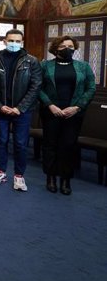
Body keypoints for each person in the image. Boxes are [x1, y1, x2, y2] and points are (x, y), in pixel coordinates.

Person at [0, 29, 42, 192]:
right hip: (0, 109)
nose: (14, 44)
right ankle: (0, 172)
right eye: (11, 41)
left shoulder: (31, 61)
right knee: (1, 141)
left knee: (20, 143)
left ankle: (19, 176)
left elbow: (36, 86)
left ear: (22, 43)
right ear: (4, 41)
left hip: (22, 111)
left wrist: (20, 108)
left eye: (17, 41)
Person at [39, 36, 95, 195]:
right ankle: (50, 178)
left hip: (73, 113)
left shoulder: (83, 66)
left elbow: (90, 88)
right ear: (56, 48)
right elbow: (38, 87)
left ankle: (65, 180)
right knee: (50, 145)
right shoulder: (45, 66)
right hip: (51, 112)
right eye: (63, 46)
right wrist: (50, 105)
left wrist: (77, 107)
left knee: (68, 146)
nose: (67, 48)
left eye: (70, 46)